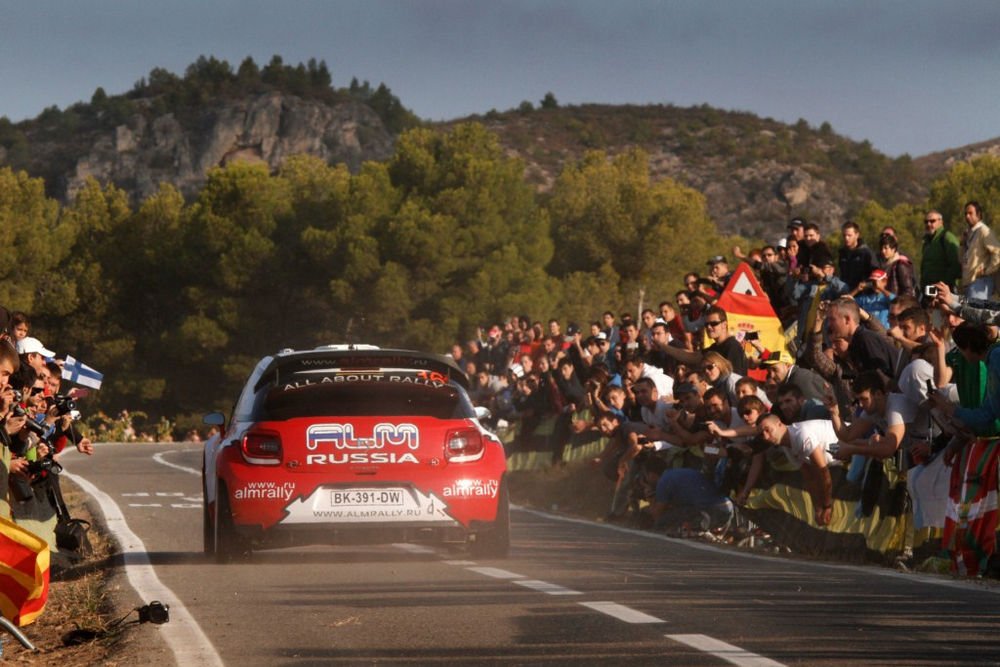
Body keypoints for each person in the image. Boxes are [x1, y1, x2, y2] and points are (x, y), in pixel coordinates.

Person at [757, 413, 836, 526]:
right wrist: (817, 508)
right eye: (761, 434)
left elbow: (823, 471)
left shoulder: (801, 435)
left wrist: (827, 506)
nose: (765, 436)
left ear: (779, 424)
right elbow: (809, 478)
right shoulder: (786, 446)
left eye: (768, 430)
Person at [960, 201, 1000, 301]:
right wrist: (962, 244)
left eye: (970, 213)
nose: (967, 216)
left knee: (975, 315)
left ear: (978, 214)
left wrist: (987, 271)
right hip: (969, 284)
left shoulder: (983, 231)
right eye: (965, 214)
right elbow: (961, 259)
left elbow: (997, 252)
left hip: (980, 284)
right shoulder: (970, 234)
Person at [920, 210, 961, 292]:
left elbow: (956, 265)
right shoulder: (926, 242)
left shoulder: (947, 238)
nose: (928, 224)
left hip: (945, 290)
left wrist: (943, 283)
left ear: (941, 222)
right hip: (928, 290)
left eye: (932, 221)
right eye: (926, 222)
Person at [838, 221, 879, 292]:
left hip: (861, 293)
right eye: (844, 235)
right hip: (845, 291)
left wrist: (866, 285)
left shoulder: (866, 253)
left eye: (849, 235)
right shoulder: (842, 254)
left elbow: (876, 276)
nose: (846, 238)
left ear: (857, 235)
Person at [878, 233, 916, 299]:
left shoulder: (901, 264)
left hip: (899, 304)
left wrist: (901, 304)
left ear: (893, 249)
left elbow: (908, 290)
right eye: (881, 248)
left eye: (886, 248)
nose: (883, 251)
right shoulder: (886, 265)